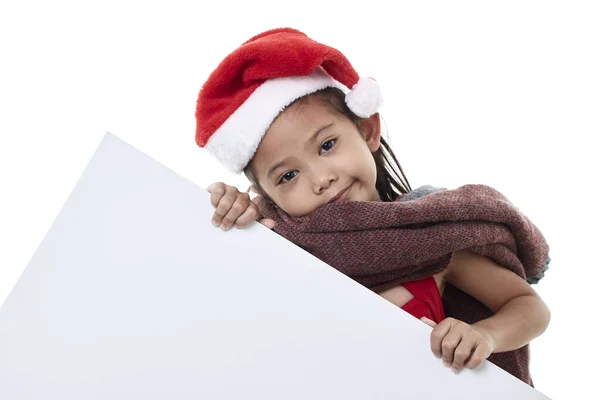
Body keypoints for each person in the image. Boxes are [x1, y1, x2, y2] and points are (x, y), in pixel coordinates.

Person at [194, 27, 550, 385]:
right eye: (288, 176)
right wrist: (237, 224)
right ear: (268, 196)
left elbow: (529, 307)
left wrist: (485, 336)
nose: (320, 179)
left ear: (367, 130)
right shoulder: (283, 248)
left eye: (327, 145)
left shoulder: (426, 239)